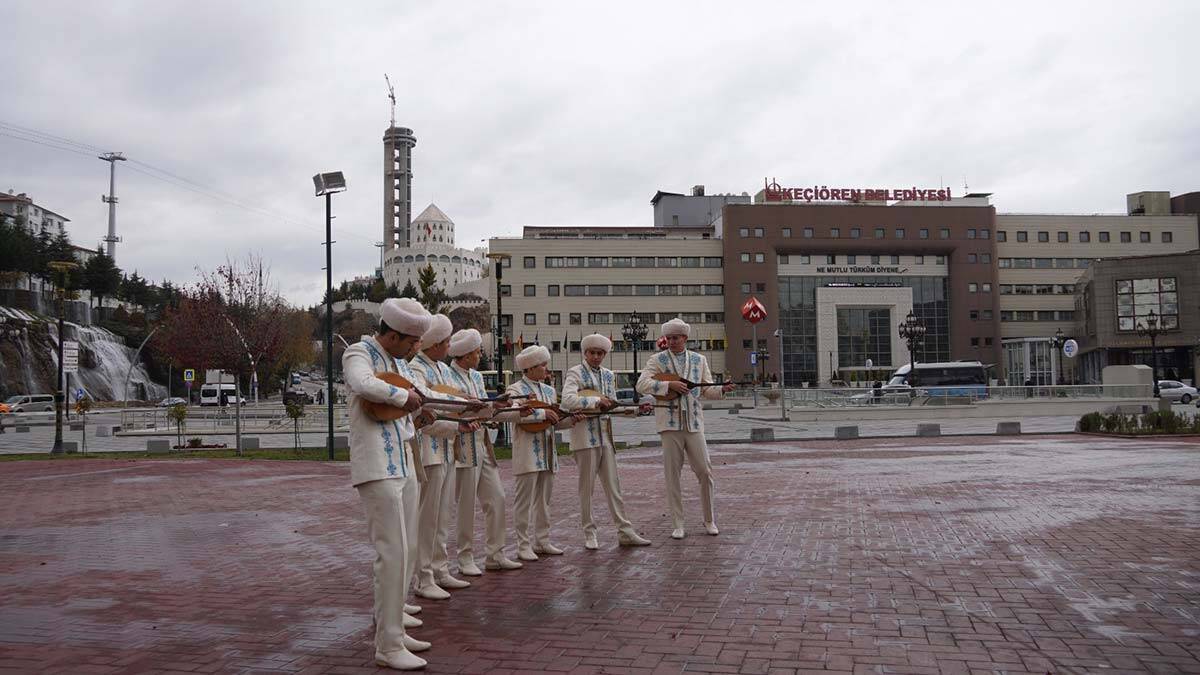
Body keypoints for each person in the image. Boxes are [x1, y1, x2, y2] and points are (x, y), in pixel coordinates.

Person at [341, 298, 434, 670]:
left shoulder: (397, 363)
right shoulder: (358, 353)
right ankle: (388, 646)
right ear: (393, 335)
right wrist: (404, 396)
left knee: (407, 548)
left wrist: (421, 411)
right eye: (412, 342)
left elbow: (404, 412)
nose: (416, 350)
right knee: (391, 552)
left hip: (404, 463)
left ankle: (394, 626)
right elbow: (362, 385)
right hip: (377, 466)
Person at [635, 317, 734, 540]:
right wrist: (668, 385)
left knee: (705, 472)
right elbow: (641, 385)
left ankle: (709, 520)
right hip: (669, 426)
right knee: (672, 475)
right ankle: (677, 523)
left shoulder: (699, 360)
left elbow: (707, 390)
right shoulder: (657, 359)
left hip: (694, 424)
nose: (671, 341)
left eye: (675, 338)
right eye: (668, 338)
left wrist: (722, 389)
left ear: (685, 338)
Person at [409, 314, 479, 600]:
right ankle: (422, 576)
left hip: (448, 449)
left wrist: (463, 415)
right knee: (427, 517)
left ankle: (440, 568)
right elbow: (426, 410)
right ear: (435, 343)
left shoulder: (440, 369)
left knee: (442, 515)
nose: (451, 346)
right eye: (447, 341)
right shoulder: (416, 369)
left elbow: (452, 402)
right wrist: (458, 416)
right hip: (429, 452)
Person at [562, 333, 651, 550]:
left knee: (614, 487)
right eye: (592, 353)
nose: (596, 357)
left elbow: (611, 406)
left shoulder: (609, 375)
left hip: (605, 438)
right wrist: (595, 400)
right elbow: (567, 400)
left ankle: (625, 531)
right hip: (584, 439)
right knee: (587, 489)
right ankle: (589, 533)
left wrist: (636, 410)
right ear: (585, 353)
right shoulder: (575, 372)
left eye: (600, 353)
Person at [447, 328, 524, 574]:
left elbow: (482, 409)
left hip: (482, 445)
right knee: (466, 505)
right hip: (463, 447)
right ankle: (465, 557)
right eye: (477, 351)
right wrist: (488, 407)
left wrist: (498, 408)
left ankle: (495, 554)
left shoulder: (476, 377)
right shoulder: (448, 377)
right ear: (465, 354)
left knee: (497, 499)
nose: (480, 355)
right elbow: (454, 410)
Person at [507, 345, 582, 560]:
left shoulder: (549, 391)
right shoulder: (516, 389)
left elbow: (553, 422)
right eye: (542, 365)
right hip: (527, 453)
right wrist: (542, 413)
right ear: (529, 368)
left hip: (548, 453)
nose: (546, 369)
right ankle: (523, 545)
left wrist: (570, 421)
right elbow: (512, 414)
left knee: (544, 500)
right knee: (524, 501)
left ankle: (542, 540)